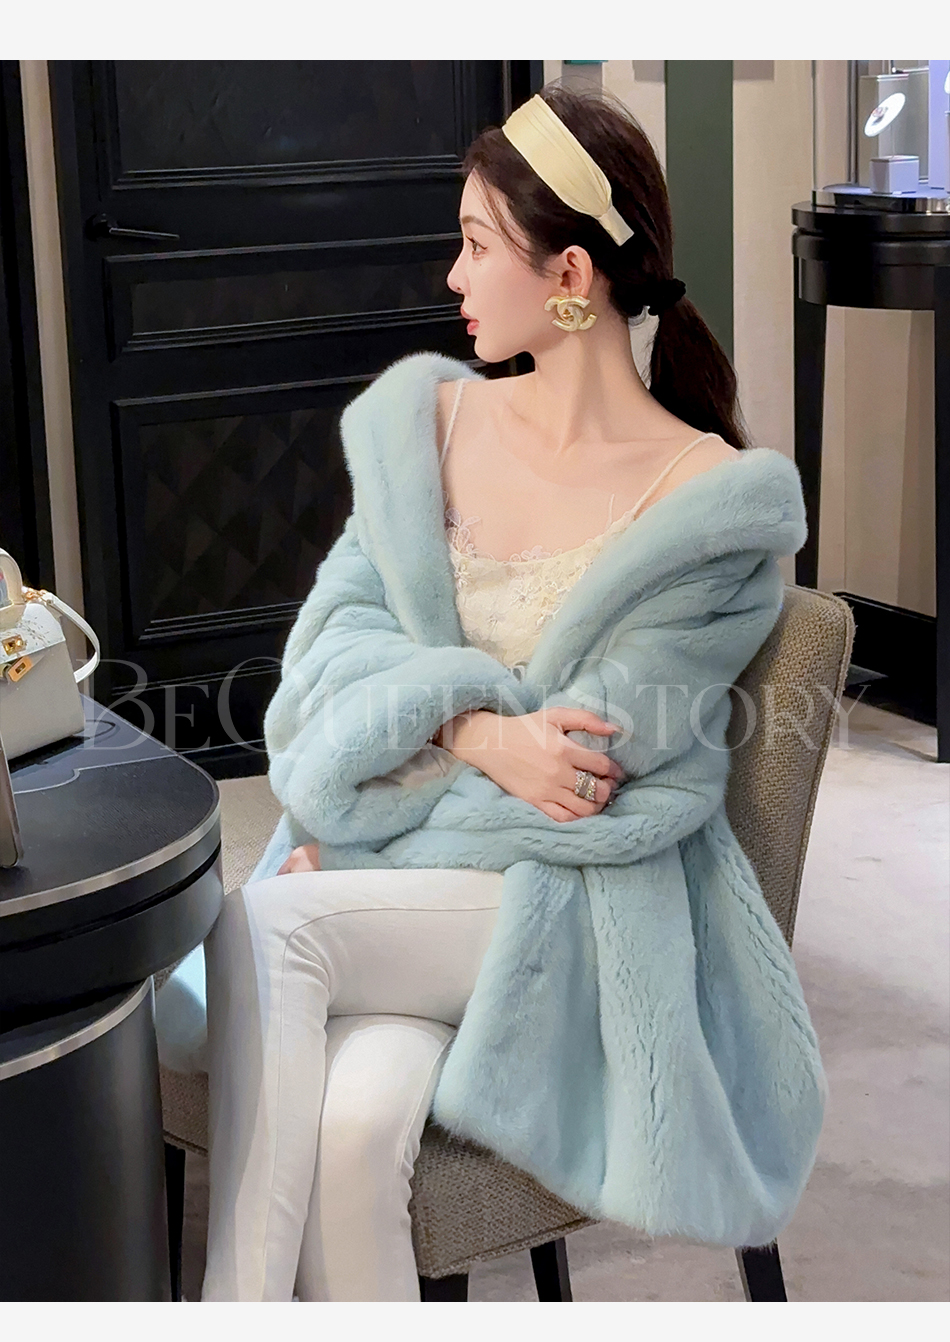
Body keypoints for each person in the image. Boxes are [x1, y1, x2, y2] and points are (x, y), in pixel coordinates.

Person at [184, 85, 808, 1302]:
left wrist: (355, 844)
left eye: (476, 243)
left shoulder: (709, 502)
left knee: (263, 924)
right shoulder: (424, 426)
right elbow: (323, 666)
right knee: (355, 1127)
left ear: (569, 275)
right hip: (414, 900)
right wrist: (472, 726)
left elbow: (593, 775)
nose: (452, 276)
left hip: (572, 907)